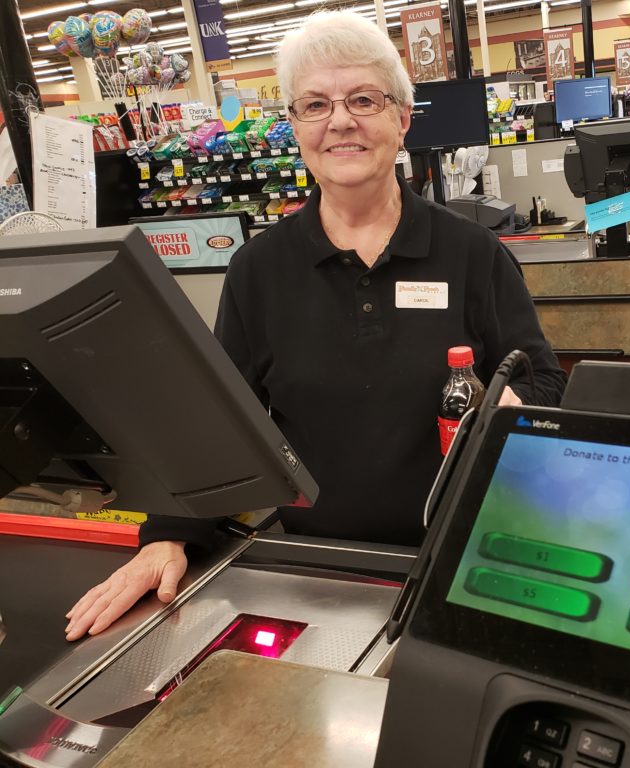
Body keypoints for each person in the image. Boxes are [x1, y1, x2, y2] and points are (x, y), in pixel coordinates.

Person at [65, 10, 566, 641]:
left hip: (463, 558)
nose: (340, 121)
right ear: (296, 126)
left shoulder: (473, 254)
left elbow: (547, 382)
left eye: (363, 99)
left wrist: (515, 406)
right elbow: (223, 419)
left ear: (402, 118)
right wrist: (168, 535)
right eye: (315, 104)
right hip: (314, 568)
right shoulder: (258, 270)